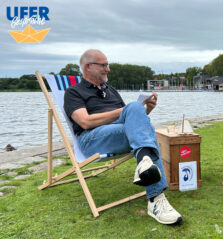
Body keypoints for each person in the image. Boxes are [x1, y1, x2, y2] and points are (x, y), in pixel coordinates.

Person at [64, 49, 182, 225]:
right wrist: (128, 109)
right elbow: (85, 122)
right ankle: (156, 199)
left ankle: (146, 169)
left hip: (119, 134)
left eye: (107, 65)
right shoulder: (74, 92)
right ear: (88, 67)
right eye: (104, 65)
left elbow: (132, 121)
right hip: (92, 139)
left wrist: (147, 109)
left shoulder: (110, 90)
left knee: (141, 121)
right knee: (141, 120)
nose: (108, 69)